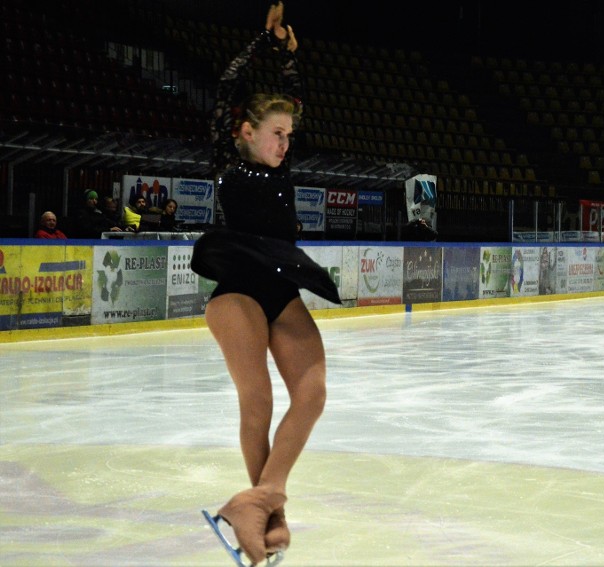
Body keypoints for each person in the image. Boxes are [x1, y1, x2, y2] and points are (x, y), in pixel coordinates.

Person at [190, 3, 340, 564]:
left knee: (314, 393)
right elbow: (225, 90)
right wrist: (261, 39)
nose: (284, 143)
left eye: (289, 135)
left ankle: (258, 502)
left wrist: (288, 53)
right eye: (276, 134)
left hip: (280, 288)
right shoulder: (227, 165)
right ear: (247, 133)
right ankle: (269, 517)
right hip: (237, 291)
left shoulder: (283, 168)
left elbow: (294, 98)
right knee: (260, 398)